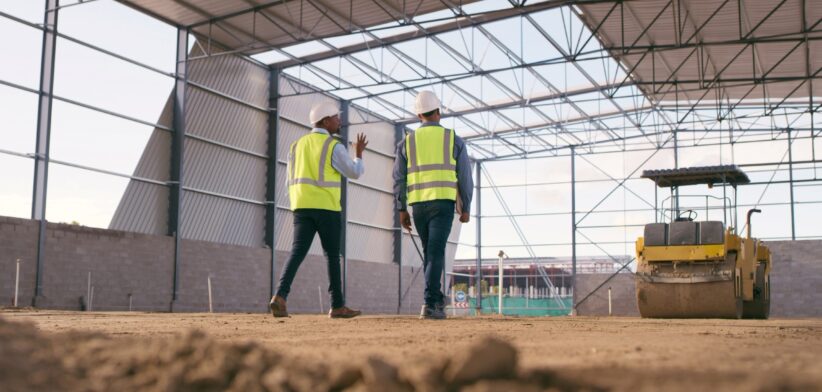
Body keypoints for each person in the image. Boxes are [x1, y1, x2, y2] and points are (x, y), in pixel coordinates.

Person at [270, 102, 368, 319]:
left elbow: (289, 178)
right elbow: (354, 172)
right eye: (335, 117)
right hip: (326, 208)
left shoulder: (296, 145)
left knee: (297, 253)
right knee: (333, 256)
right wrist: (359, 154)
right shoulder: (333, 146)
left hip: (301, 206)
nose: (339, 120)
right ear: (325, 121)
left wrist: (297, 201)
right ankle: (337, 305)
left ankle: (280, 295)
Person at [393, 91, 473, 320]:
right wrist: (465, 206)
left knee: (431, 253)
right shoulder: (452, 138)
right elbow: (465, 176)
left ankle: (436, 299)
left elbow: (399, 178)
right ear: (439, 112)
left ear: (419, 115)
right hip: (442, 204)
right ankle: (429, 303)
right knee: (436, 253)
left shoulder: (406, 143)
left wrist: (401, 209)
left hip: (418, 206)